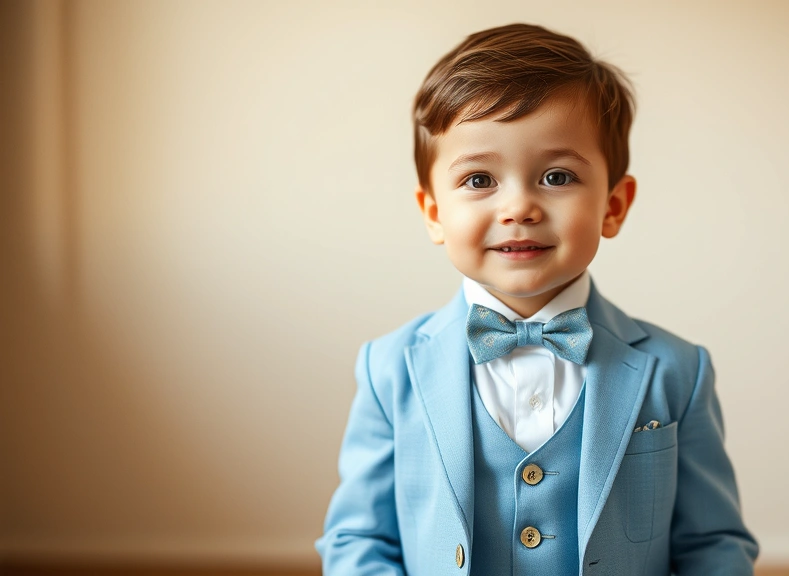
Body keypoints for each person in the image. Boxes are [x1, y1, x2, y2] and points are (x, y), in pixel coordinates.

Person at [315, 22, 757, 576]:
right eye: (479, 180)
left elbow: (713, 545)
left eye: (556, 175)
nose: (519, 207)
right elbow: (358, 538)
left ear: (614, 206)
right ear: (433, 213)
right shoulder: (388, 369)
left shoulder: (678, 370)